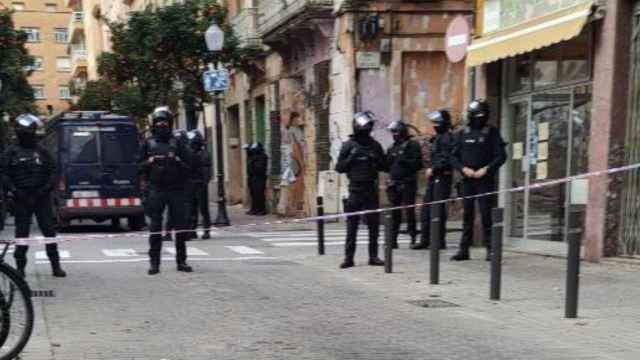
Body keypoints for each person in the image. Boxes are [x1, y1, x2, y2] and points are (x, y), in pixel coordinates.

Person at [0, 114, 66, 277]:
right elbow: (4, 173)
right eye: (23, 130)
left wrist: (44, 190)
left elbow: (53, 172)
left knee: (49, 233)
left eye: (29, 130)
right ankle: (20, 268)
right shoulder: (11, 152)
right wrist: (14, 190)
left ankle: (55, 265)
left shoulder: (42, 151)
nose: (26, 133)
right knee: (22, 234)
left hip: (41, 197)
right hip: (20, 198)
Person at [138, 107, 193, 274]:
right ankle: (154, 263)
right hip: (156, 189)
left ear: (169, 123)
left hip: (176, 189)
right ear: (154, 124)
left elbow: (190, 166)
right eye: (159, 122)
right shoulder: (147, 143)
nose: (162, 124)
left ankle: (181, 261)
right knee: (155, 227)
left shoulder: (178, 143)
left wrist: (176, 161)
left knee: (180, 227)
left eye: (165, 122)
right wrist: (149, 162)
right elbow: (138, 166)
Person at [450, 100, 507, 261]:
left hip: (484, 179)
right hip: (467, 180)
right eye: (477, 115)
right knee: (467, 215)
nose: (480, 119)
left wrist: (487, 169)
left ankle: (491, 249)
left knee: (486, 214)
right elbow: (453, 157)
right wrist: (463, 169)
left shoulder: (492, 132)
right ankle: (464, 250)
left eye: (483, 115)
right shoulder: (463, 133)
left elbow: (501, 156)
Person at [335, 111, 386, 269]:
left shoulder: (375, 145)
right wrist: (351, 157)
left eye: (369, 126)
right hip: (355, 189)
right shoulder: (348, 145)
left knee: (373, 225)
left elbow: (385, 166)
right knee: (352, 226)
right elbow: (339, 168)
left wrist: (375, 159)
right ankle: (349, 258)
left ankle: (373, 256)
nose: (368, 129)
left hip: (371, 189)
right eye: (365, 125)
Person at [412, 110, 455, 250]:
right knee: (427, 209)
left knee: (438, 209)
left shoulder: (447, 138)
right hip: (434, 177)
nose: (434, 125)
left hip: (442, 176)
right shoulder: (438, 137)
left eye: (437, 123)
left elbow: (447, 158)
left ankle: (438, 240)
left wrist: (434, 168)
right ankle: (425, 239)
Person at [385, 120, 423, 249]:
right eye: (392, 132)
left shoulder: (412, 145)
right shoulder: (392, 147)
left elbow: (418, 164)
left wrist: (404, 160)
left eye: (395, 132)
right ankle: (393, 239)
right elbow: (386, 166)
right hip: (394, 183)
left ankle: (413, 237)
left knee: (409, 211)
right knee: (395, 212)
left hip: (408, 183)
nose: (393, 134)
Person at [187, 130, 212, 239]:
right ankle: (192, 230)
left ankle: (206, 230)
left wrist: (204, 181)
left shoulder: (203, 154)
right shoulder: (190, 153)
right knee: (192, 208)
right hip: (192, 183)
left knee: (203, 208)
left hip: (200, 184)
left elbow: (206, 170)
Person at [246, 143, 268, 216]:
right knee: (253, 194)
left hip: (259, 178)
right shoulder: (252, 157)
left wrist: (253, 165)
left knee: (259, 194)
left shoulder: (262, 156)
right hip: (252, 177)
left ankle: (261, 210)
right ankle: (254, 209)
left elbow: (259, 168)